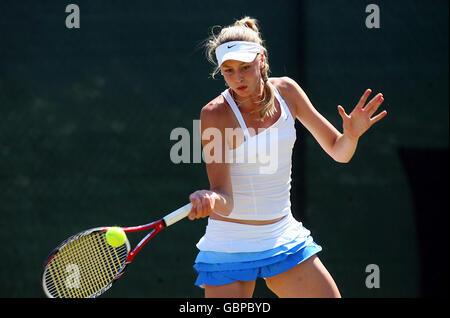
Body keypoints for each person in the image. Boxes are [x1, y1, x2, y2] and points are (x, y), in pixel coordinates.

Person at [187, 17, 387, 298]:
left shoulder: (288, 93)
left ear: (262, 60)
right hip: (230, 244)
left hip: (282, 237)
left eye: (245, 67)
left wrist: (351, 135)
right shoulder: (215, 114)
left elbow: (339, 151)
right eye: (229, 71)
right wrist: (210, 199)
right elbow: (225, 198)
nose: (238, 78)